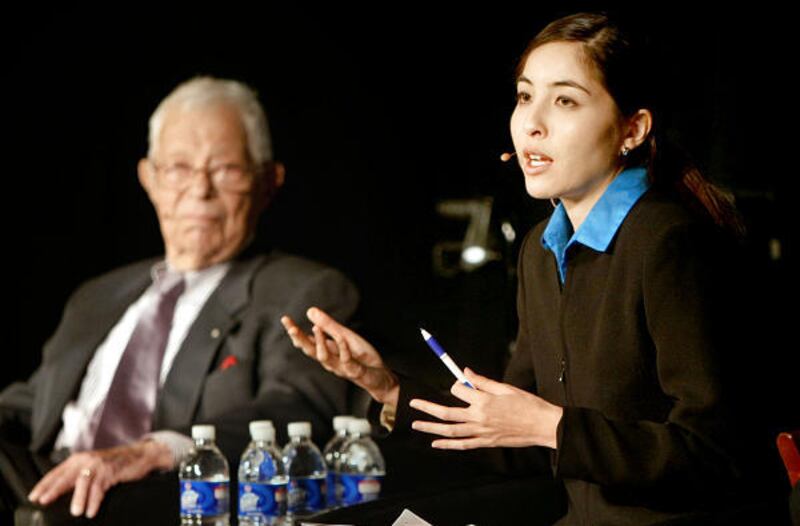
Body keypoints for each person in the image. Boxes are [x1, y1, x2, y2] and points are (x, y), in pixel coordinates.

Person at [281, 12, 786, 524]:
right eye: (525, 97)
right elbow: (520, 436)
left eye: (564, 100)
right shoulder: (539, 251)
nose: (532, 123)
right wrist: (387, 387)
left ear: (632, 128)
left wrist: (553, 426)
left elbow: (718, 454)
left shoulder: (668, 243)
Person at [0, 76, 359, 522]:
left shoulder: (302, 290)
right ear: (149, 179)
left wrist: (154, 451)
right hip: (40, 483)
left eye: (225, 169)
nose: (199, 191)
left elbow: (298, 407)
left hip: (158, 497)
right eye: (178, 169)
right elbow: (30, 406)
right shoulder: (98, 295)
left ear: (268, 181)